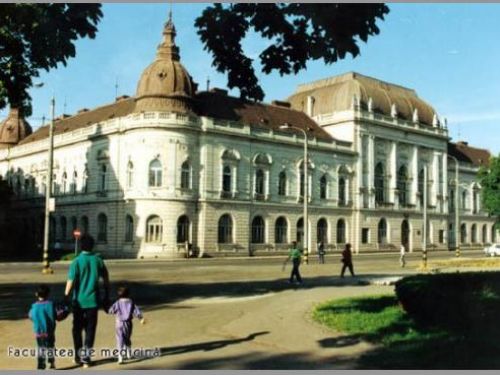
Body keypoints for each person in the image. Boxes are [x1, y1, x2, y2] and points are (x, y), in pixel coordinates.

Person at [64, 234, 110, 368]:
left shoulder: (76, 262)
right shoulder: (98, 260)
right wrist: (106, 295)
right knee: (90, 330)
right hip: (93, 302)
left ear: (81, 246)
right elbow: (106, 280)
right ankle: (86, 359)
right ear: (92, 246)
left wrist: (66, 297)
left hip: (78, 302)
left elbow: (70, 282)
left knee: (76, 329)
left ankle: (78, 356)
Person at [108, 286, 145, 364]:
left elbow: (111, 311)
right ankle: (128, 354)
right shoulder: (131, 302)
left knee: (119, 339)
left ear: (118, 295)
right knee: (127, 338)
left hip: (119, 323)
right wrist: (141, 318)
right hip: (128, 323)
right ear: (128, 294)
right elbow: (137, 311)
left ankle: (120, 358)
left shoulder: (117, 302)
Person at [29, 285, 57, 370]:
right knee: (51, 347)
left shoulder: (34, 306)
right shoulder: (51, 305)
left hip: (39, 333)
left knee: (41, 348)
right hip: (50, 332)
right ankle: (51, 363)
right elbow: (56, 315)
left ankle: (41, 365)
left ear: (36, 294)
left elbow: (31, 316)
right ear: (48, 294)